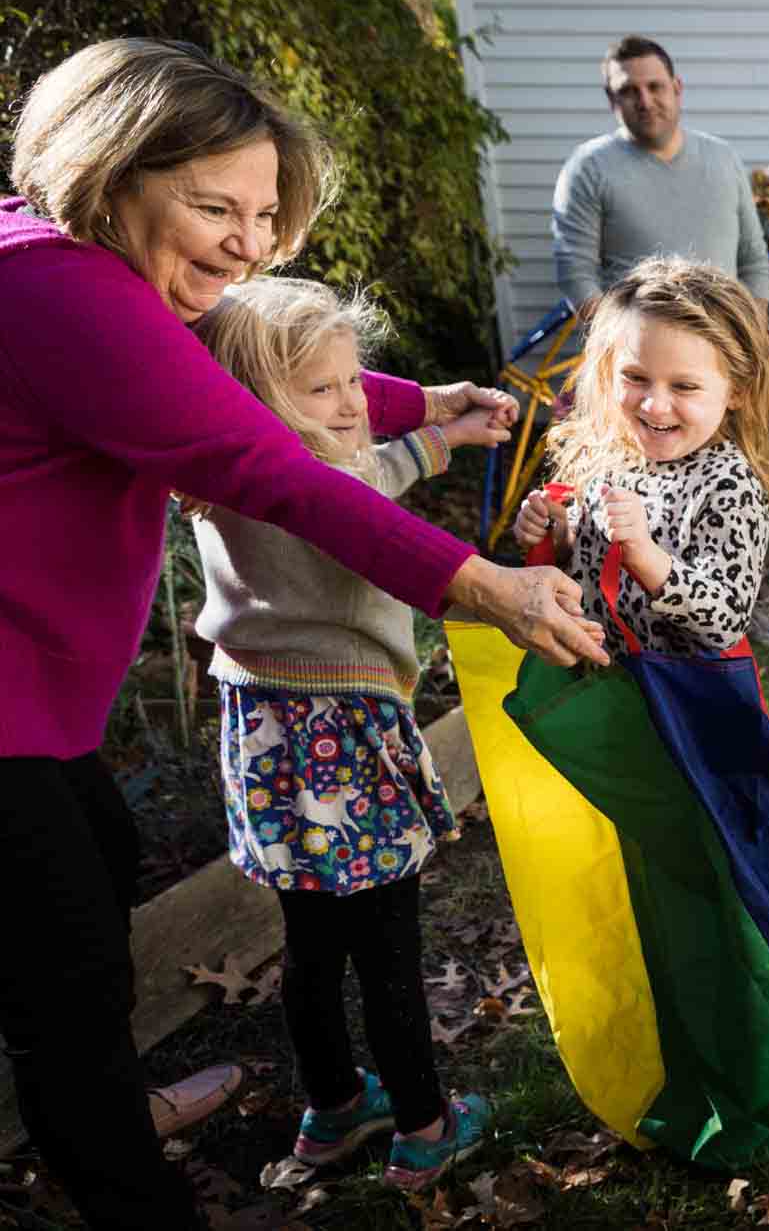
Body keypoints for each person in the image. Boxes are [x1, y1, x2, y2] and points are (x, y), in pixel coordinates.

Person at [0, 37, 607, 1231]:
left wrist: (419, 403)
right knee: (63, 978)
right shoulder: (60, 290)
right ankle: (120, 1171)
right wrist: (480, 583)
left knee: (100, 878)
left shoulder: (79, 266)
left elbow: (245, 376)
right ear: (110, 172)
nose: (249, 243)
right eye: (213, 205)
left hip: (41, 693)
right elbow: (260, 458)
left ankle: (107, 1102)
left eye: (265, 213)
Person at [188, 279, 498, 1190]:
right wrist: (445, 435)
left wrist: (429, 419)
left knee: (312, 945)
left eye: (353, 380)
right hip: (346, 729)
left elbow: (369, 454)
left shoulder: (218, 472)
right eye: (322, 390)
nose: (354, 403)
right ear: (255, 398)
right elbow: (370, 484)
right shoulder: (313, 478)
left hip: (263, 729)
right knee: (386, 946)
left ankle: (331, 1109)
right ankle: (424, 1125)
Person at [550, 36, 769, 647]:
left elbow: (753, 260)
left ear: (677, 89)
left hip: (715, 348)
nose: (645, 100)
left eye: (655, 86)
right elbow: (576, 271)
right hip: (634, 339)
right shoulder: (590, 168)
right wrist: (627, 346)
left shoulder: (721, 159)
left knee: (715, 518)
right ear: (611, 100)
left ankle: (743, 603)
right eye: (627, 90)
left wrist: (738, 337)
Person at [512, 256, 769, 658]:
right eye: (636, 378)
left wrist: (645, 557)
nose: (655, 405)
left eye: (684, 386)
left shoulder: (727, 484)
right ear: (609, 372)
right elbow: (589, 560)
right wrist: (560, 534)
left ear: (738, 391)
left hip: (674, 702)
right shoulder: (614, 455)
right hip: (599, 687)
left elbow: (726, 621)